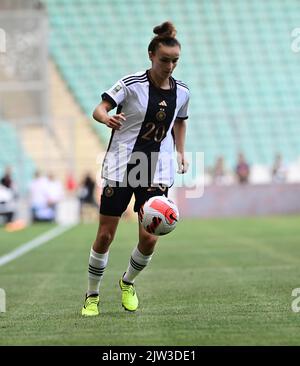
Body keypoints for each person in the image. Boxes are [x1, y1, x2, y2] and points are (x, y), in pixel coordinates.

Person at [81, 21, 190, 316]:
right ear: (151, 56)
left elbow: (180, 121)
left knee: (150, 237)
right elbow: (99, 108)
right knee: (105, 235)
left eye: (175, 61)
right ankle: (92, 295)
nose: (170, 66)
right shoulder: (131, 85)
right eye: (165, 60)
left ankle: (127, 282)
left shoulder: (182, 92)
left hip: (156, 169)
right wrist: (106, 119)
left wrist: (180, 152)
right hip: (121, 165)